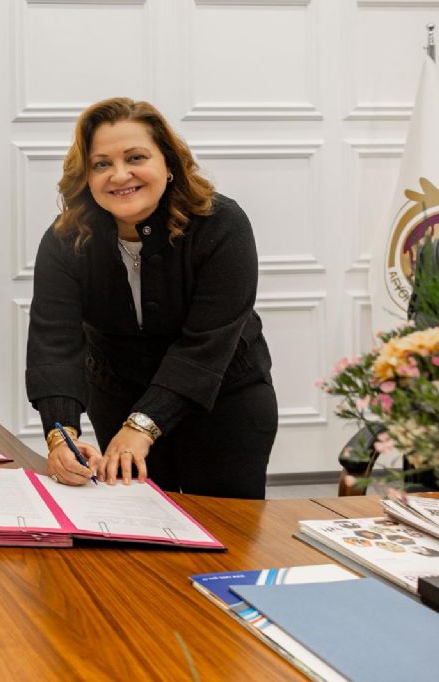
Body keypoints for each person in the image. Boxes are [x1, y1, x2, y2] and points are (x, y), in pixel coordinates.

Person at [26, 97, 277, 499]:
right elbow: (53, 343)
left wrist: (141, 426)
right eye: (101, 164)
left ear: (169, 163)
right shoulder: (65, 239)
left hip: (224, 403)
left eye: (135, 157)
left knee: (225, 529)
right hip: (118, 396)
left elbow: (205, 345)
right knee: (137, 526)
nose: (119, 175)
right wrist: (61, 434)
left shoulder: (222, 224)